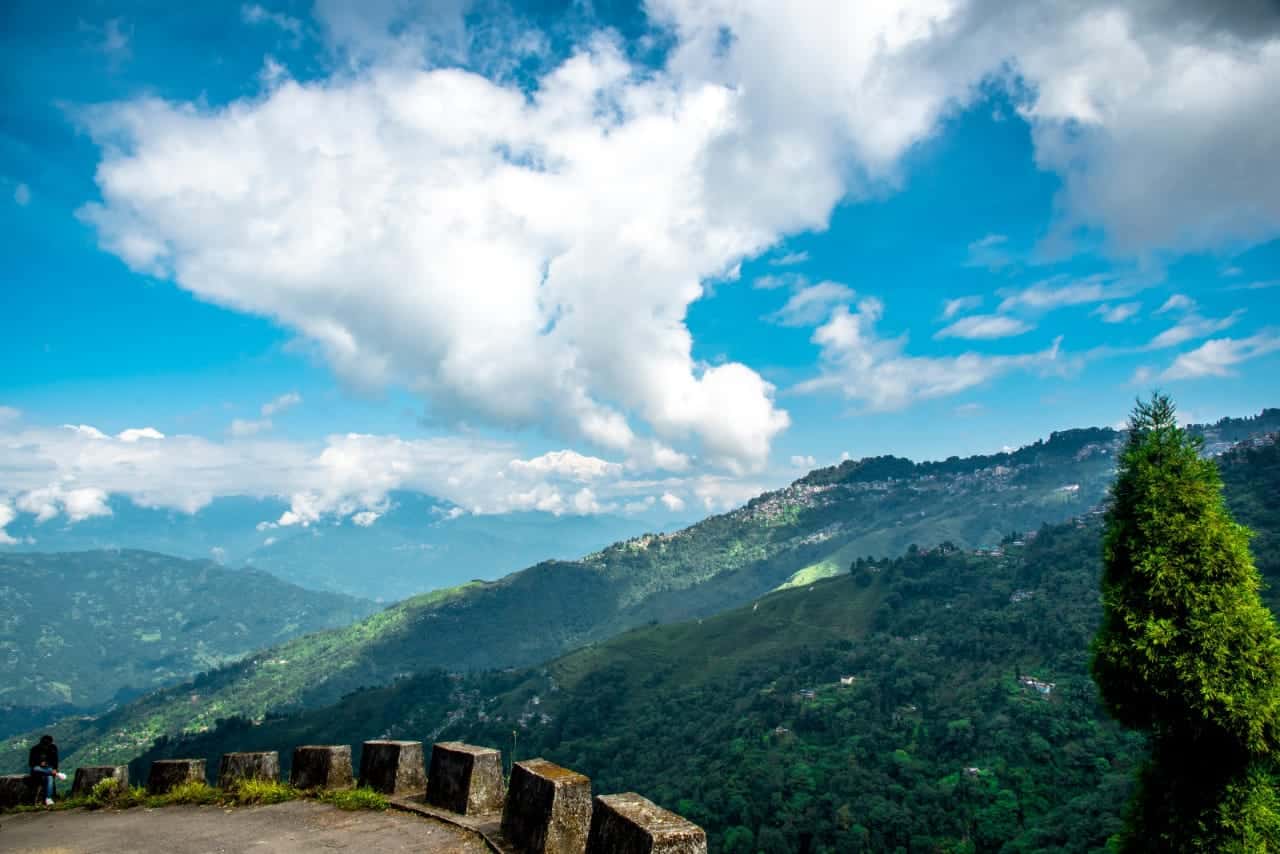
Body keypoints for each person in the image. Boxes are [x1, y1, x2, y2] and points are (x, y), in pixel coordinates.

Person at [29, 735, 66, 806]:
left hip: (48, 768)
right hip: (38, 769)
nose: (47, 746)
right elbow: (31, 764)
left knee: (50, 777)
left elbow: (55, 760)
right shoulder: (35, 749)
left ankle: (48, 798)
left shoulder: (53, 748)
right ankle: (56, 774)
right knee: (36, 769)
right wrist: (40, 763)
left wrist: (54, 768)